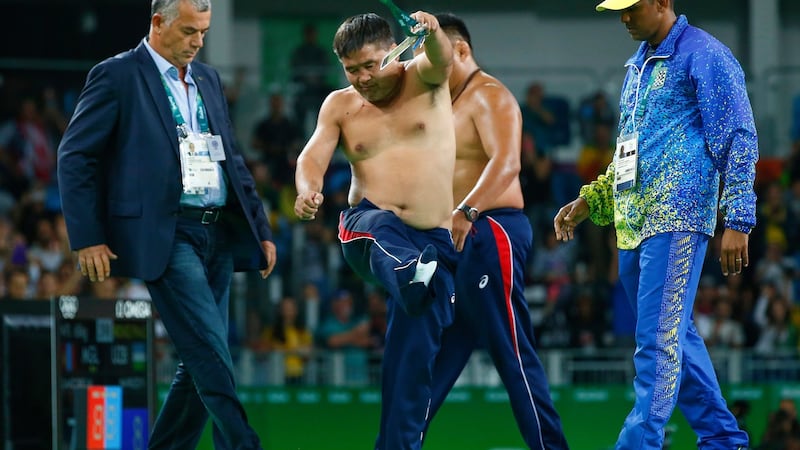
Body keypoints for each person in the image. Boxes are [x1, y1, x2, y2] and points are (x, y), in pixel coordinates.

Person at [56, 1, 276, 449]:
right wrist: (89, 237)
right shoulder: (117, 75)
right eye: (190, 31)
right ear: (159, 23)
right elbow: (75, 156)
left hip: (217, 231)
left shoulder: (209, 79)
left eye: (204, 32)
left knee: (199, 358)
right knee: (211, 351)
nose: (198, 42)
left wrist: (261, 227)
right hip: (168, 234)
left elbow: (232, 158)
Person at [553, 1, 757, 449]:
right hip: (631, 224)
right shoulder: (637, 67)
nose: (623, 17)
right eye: (618, 9)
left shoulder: (705, 54)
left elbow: (738, 133)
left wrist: (738, 217)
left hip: (677, 218)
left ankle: (639, 443)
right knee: (674, 339)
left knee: (655, 345)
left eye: (632, 7)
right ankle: (724, 440)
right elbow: (629, 151)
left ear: (663, 1)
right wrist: (592, 200)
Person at [293, 11, 458, 449]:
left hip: (432, 244)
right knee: (381, 226)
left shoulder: (424, 77)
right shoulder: (339, 105)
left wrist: (435, 31)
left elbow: (441, 58)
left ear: (396, 52)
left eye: (371, 65)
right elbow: (311, 157)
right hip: (367, 229)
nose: (363, 78)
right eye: (352, 69)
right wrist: (308, 190)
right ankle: (410, 271)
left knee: (411, 362)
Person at [417, 13, 568, 449]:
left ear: (460, 50)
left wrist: (466, 209)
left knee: (512, 352)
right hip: (456, 240)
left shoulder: (490, 95)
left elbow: (508, 164)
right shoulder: (443, 101)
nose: (427, 66)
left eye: (434, 54)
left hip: (490, 229)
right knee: (432, 359)